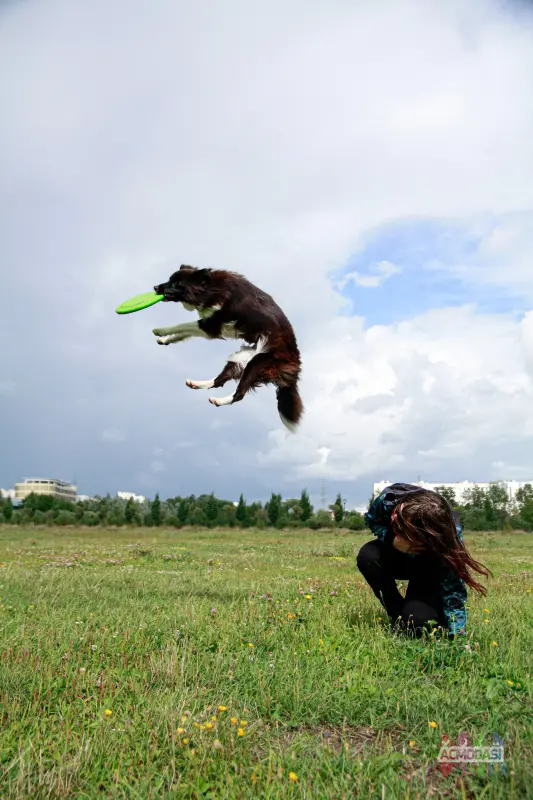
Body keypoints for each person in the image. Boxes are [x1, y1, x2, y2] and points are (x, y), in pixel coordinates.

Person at [357, 483, 491, 638]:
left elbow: (453, 588)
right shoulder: (389, 498)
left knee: (419, 625)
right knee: (368, 556)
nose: (394, 518)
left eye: (407, 529)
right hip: (397, 554)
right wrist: (392, 539)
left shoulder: (448, 531)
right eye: (399, 520)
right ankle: (396, 615)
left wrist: (458, 635)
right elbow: (373, 521)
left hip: (428, 567)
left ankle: (414, 615)